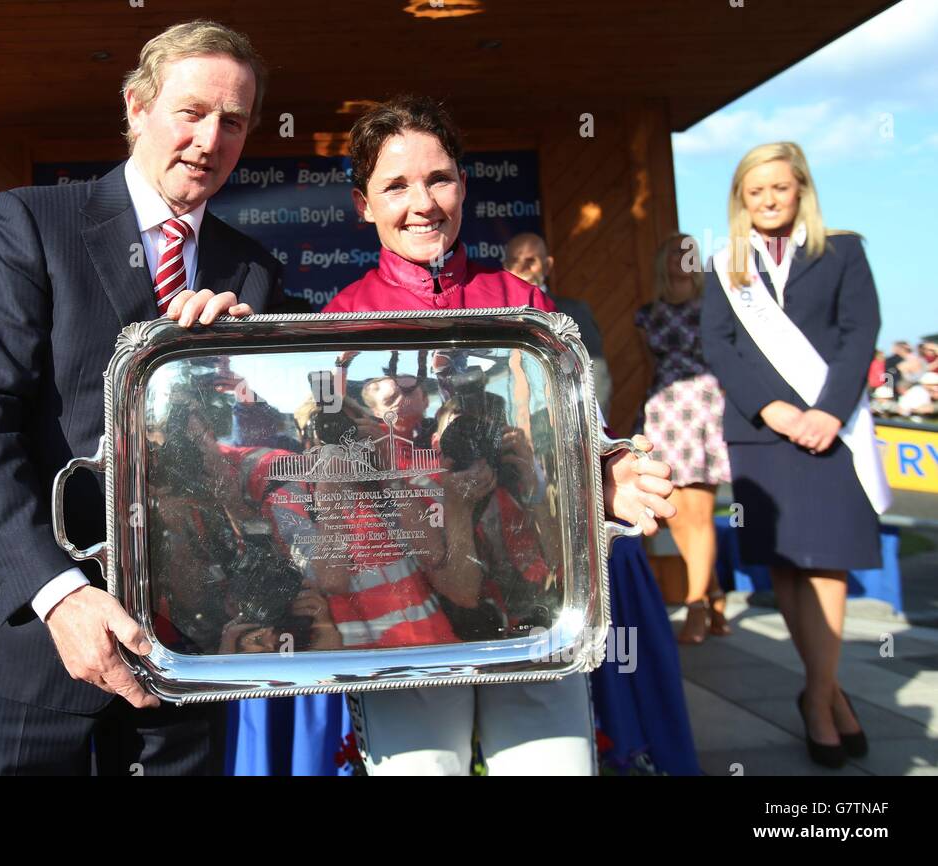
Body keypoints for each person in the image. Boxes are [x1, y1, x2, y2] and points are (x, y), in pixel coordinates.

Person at [0, 20, 282, 775]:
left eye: (234, 121)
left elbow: (285, 437)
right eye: (192, 111)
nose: (210, 138)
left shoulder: (250, 274)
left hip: (182, 649)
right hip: (24, 631)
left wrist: (245, 375)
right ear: (137, 108)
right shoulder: (32, 223)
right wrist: (59, 594)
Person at [322, 96, 676, 775]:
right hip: (409, 615)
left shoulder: (525, 303)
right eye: (395, 185)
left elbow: (575, 437)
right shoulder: (341, 320)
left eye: (440, 179)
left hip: (532, 599)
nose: (422, 202)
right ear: (362, 204)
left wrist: (607, 473)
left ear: (464, 183)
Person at [701, 141, 886, 769]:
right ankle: (827, 698)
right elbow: (719, 346)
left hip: (829, 428)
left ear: (801, 188)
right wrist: (772, 410)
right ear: (741, 199)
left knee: (827, 561)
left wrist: (828, 410)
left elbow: (860, 332)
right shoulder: (726, 264)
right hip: (761, 433)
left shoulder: (844, 251)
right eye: (756, 191)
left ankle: (816, 696)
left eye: (780, 187)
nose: (769, 199)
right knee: (784, 565)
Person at [635, 233, 731, 644]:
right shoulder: (647, 314)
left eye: (690, 250)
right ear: (662, 260)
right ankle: (714, 593)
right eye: (674, 249)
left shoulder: (713, 307)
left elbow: (730, 361)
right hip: (664, 410)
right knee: (676, 513)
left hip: (705, 407)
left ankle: (695, 605)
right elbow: (647, 368)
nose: (682, 256)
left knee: (701, 513)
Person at [505, 232, 613, 418]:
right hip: (513, 423)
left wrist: (591, 431)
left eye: (531, 261)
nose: (523, 268)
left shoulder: (574, 311)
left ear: (547, 266)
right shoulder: (495, 317)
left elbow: (596, 375)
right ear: (505, 268)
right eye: (515, 261)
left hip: (565, 423)